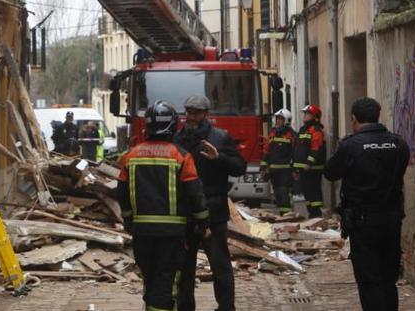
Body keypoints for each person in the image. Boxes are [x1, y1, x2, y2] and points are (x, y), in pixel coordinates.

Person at [118, 100, 209, 311]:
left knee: (149, 277)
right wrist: (203, 221)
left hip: (142, 232)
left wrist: (128, 218)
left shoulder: (130, 156)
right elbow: (195, 193)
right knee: (166, 281)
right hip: (173, 234)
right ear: (174, 125)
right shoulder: (181, 156)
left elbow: (121, 192)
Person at [325, 97, 410, 311]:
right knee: (388, 277)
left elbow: (330, 173)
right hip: (392, 219)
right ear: (377, 116)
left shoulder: (350, 145)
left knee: (368, 278)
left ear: (354, 119)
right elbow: (400, 171)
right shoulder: (398, 143)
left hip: (363, 220)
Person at [174, 95, 246, 311]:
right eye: (188, 111)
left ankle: (226, 307)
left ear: (206, 114)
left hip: (213, 212)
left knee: (220, 265)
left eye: (196, 112)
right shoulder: (177, 139)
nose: (191, 116)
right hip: (185, 213)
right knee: (185, 267)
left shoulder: (220, 137)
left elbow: (239, 167)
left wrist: (218, 158)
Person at [293, 104, 326, 218]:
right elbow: (297, 150)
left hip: (313, 169)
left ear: (315, 117)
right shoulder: (303, 130)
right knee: (307, 194)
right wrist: (296, 168)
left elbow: (315, 148)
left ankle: (316, 215)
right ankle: (311, 215)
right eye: (305, 113)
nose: (305, 116)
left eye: (308, 114)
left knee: (314, 193)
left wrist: (309, 163)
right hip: (304, 169)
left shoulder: (316, 130)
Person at [261, 109, 297, 214]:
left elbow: (296, 152)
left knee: (284, 193)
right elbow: (267, 150)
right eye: (277, 119)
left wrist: (295, 169)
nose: (278, 121)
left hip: (286, 170)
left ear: (286, 120)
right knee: (277, 194)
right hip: (273, 170)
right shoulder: (273, 133)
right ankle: (282, 216)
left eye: (281, 119)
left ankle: (288, 215)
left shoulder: (291, 134)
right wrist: (263, 166)